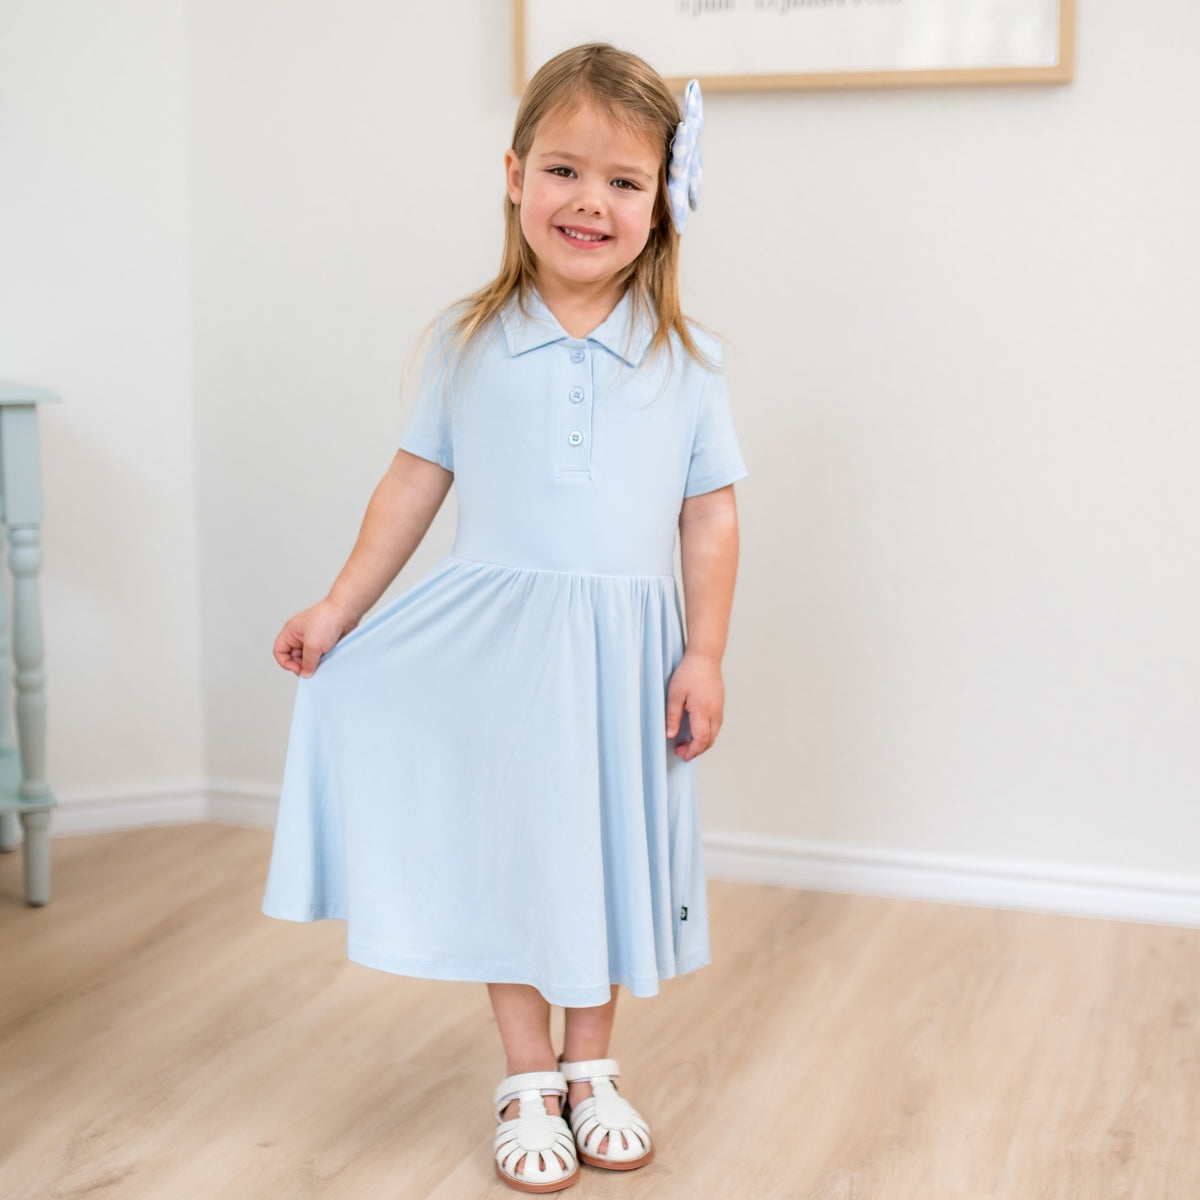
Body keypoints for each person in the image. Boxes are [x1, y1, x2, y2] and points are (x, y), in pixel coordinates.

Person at [261, 42, 748, 1194]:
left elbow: (710, 522)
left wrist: (707, 654)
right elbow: (411, 489)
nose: (592, 202)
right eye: (566, 172)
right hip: (497, 657)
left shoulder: (688, 362)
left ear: (663, 204)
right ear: (515, 174)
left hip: (625, 660)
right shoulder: (464, 343)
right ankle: (526, 1072)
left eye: (626, 182)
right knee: (517, 858)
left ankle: (594, 1064)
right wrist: (337, 608)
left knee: (598, 854)